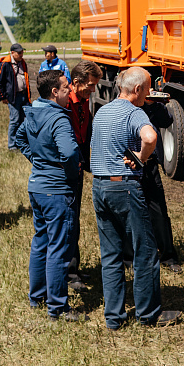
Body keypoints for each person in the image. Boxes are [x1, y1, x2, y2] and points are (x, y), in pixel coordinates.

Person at [90, 67, 180, 329]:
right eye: (148, 88)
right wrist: (141, 157)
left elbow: (95, 146)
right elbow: (150, 137)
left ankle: (114, 318)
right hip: (125, 187)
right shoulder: (135, 112)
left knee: (110, 255)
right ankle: (148, 314)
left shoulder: (103, 111)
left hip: (100, 186)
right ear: (138, 89)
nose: (149, 94)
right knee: (145, 251)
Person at [15, 70, 87, 322]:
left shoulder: (33, 111)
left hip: (37, 187)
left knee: (41, 242)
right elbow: (68, 153)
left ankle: (37, 297)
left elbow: (19, 137)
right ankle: (57, 307)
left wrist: (36, 159)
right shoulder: (58, 118)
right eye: (66, 88)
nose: (71, 92)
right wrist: (69, 172)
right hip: (56, 189)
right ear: (54, 92)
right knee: (58, 248)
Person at [65, 60, 102, 292]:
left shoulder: (84, 100)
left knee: (75, 217)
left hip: (78, 165)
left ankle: (74, 266)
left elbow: (85, 131)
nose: (93, 90)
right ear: (76, 82)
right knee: (68, 220)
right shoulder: (64, 102)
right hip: (66, 168)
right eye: (90, 86)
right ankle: (68, 272)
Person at [0, 43, 31, 151]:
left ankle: (22, 142)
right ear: (12, 53)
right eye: (19, 53)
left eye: (22, 52)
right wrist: (2, 97)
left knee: (25, 120)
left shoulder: (22, 63)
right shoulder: (5, 64)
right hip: (13, 97)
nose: (21, 55)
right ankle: (12, 145)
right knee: (15, 120)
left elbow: (26, 79)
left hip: (24, 95)